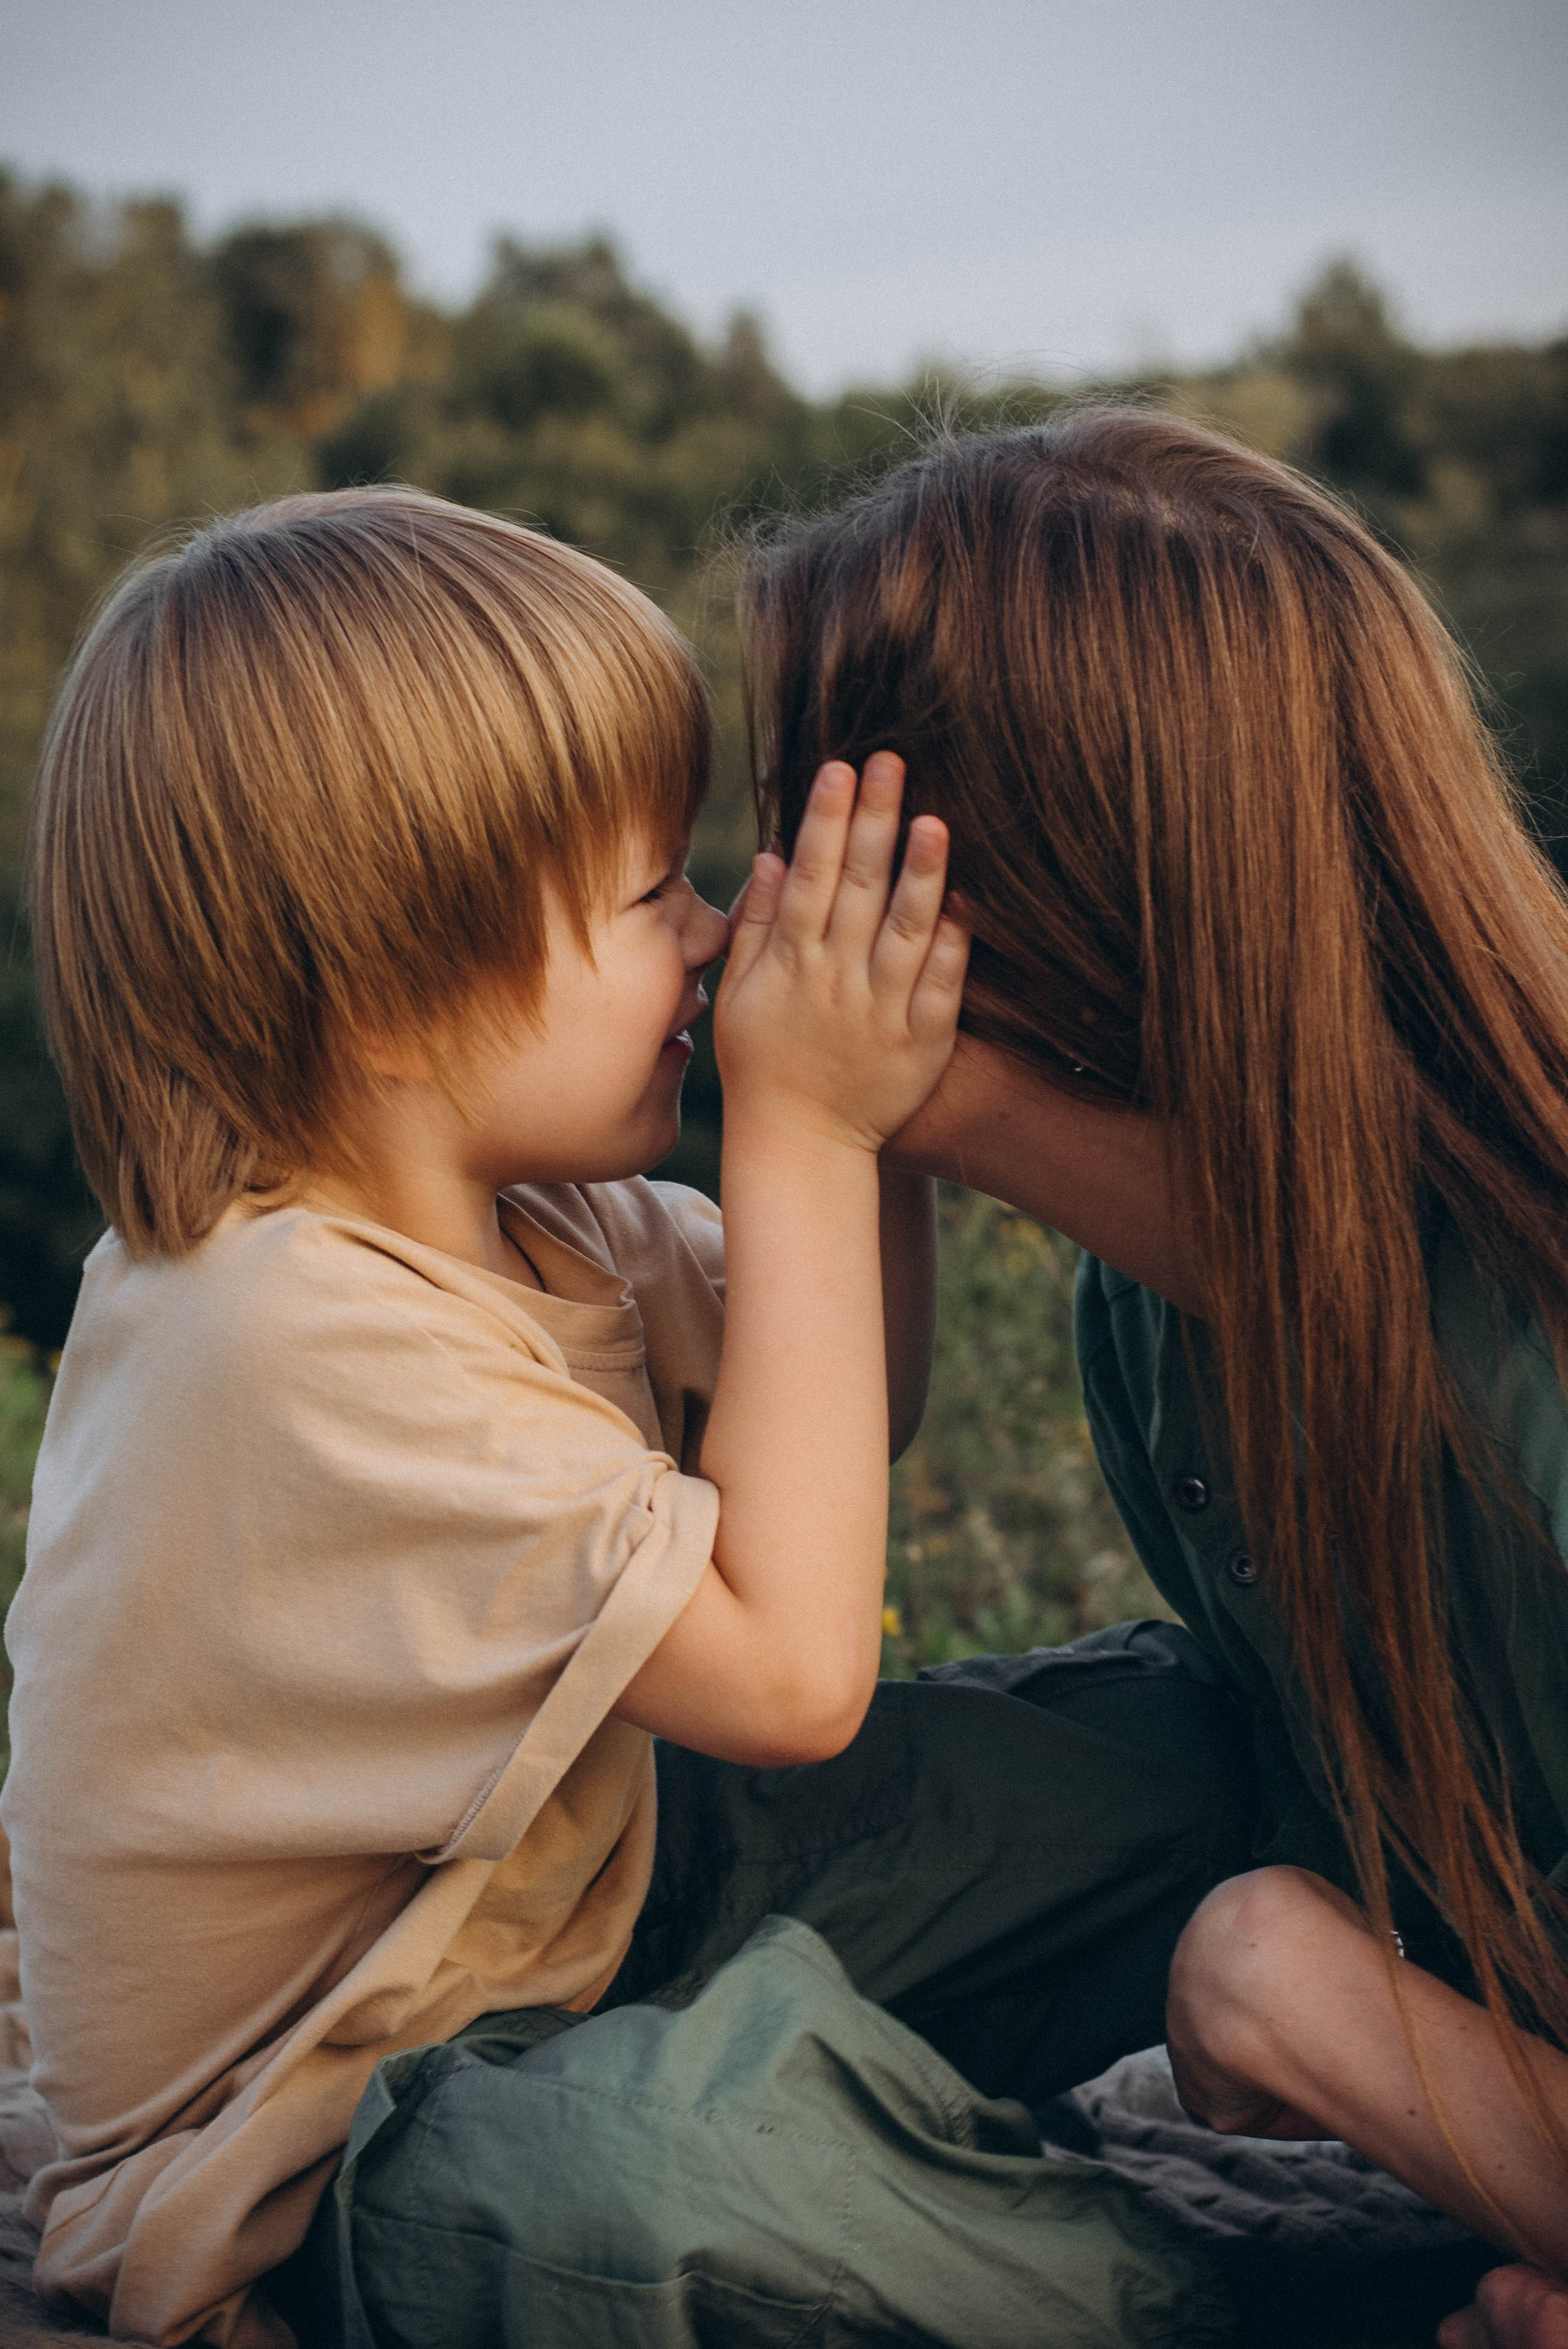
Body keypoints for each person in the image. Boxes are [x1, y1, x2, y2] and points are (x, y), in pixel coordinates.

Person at [8, 485, 1254, 2349]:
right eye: (646, 890)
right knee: (650, 2188)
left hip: (574, 1895)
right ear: (390, 996)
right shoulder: (282, 1334)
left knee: (1184, 1759)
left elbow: (851, 1402)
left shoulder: (542, 1205)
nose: (707, 929)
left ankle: (1046, 2067)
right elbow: (792, 1676)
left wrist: (870, 1122)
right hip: (331, 2129)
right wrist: (807, 1119)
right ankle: (1228, 2286)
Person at [738, 405, 1568, 2349]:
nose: (773, 903)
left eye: (840, 839)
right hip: (1460, 1932)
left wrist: (1301, 1998)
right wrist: (873, 1132)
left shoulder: (1527, 1301)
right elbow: (782, 1519)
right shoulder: (1148, 1317)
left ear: (1059, 883)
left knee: (1264, 1958)